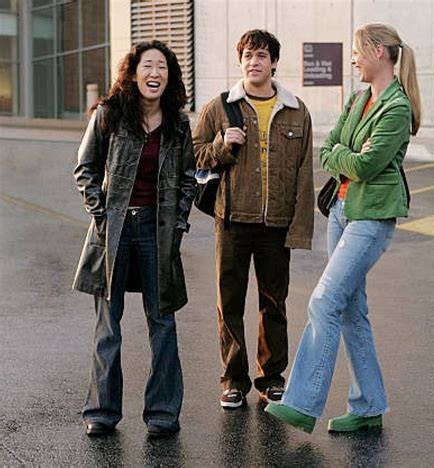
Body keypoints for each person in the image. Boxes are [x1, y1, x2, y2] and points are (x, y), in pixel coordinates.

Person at [265, 23, 421, 433]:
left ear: (378, 53)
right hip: (340, 210)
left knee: (324, 300)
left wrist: (341, 154)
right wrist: (343, 153)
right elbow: (330, 145)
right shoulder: (358, 100)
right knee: (352, 311)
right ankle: (368, 406)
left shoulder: (397, 108)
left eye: (357, 52)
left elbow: (367, 165)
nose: (353, 59)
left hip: (371, 218)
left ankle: (302, 403)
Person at [72, 40, 196, 438]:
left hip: (158, 233)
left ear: (170, 76)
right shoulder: (110, 114)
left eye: (162, 67)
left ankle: (162, 413)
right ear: (134, 71)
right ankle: (102, 412)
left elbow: (188, 181)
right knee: (109, 325)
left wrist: (177, 225)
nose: (154, 73)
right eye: (148, 66)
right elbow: (85, 167)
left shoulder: (177, 124)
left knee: (162, 322)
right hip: (115, 230)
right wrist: (101, 215)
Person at [193, 29, 314, 409]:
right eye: (247, 55)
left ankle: (272, 378)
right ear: (240, 60)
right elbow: (194, 156)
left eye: (261, 55)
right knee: (229, 302)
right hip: (230, 220)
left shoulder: (297, 110)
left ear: (274, 62)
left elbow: (304, 174)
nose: (253, 61)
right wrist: (221, 146)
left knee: (273, 303)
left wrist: (300, 227)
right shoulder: (220, 107)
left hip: (276, 224)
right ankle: (232, 379)